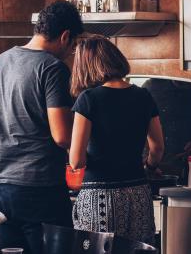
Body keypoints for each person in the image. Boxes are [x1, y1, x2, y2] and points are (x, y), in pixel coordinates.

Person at [0, 1, 83, 253]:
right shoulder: (52, 68)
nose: (70, 51)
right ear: (65, 36)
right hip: (38, 187)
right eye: (73, 45)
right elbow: (62, 136)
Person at [68, 36, 165, 244]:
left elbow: (76, 160)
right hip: (138, 193)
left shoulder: (88, 99)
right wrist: (149, 167)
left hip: (99, 197)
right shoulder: (143, 96)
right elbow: (157, 147)